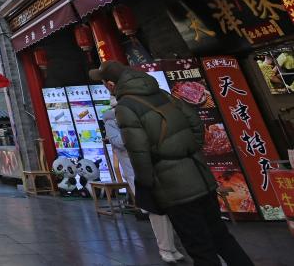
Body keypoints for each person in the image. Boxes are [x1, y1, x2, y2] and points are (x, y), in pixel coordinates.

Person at [90, 61, 253, 266]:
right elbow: (196, 123)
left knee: (199, 246)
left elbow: (139, 152)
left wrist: (147, 184)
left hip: (173, 186)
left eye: (104, 83)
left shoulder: (126, 107)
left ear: (111, 84)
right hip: (200, 174)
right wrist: (187, 149)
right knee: (221, 236)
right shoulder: (162, 94)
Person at [101, 95, 184, 263]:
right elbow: (118, 142)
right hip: (136, 169)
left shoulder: (143, 115)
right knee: (155, 208)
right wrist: (138, 136)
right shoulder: (111, 120)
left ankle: (173, 247)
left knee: (168, 206)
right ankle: (166, 248)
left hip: (157, 165)